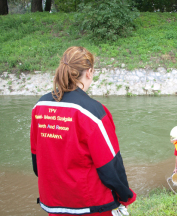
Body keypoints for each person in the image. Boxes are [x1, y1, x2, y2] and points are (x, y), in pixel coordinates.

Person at [30, 46, 136, 216]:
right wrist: (126, 196)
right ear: (89, 72)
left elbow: (37, 160)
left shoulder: (40, 106)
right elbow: (110, 165)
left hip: (54, 203)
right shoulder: (93, 112)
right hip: (91, 205)